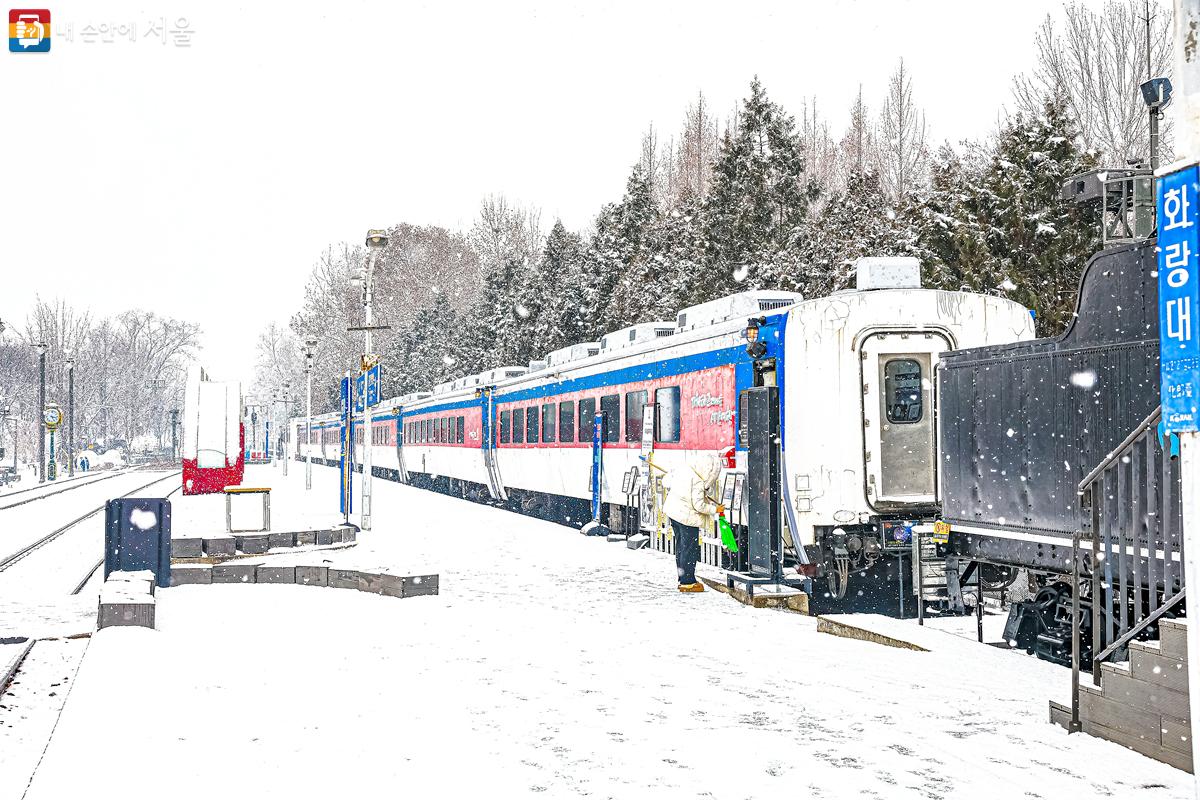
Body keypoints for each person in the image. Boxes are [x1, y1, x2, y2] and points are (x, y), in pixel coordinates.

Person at [663, 451, 724, 593]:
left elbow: (667, 481)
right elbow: (698, 506)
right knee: (689, 549)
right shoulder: (697, 480)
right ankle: (688, 582)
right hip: (687, 518)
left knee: (681, 548)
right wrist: (716, 509)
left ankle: (682, 578)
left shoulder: (685, 470)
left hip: (675, 514)